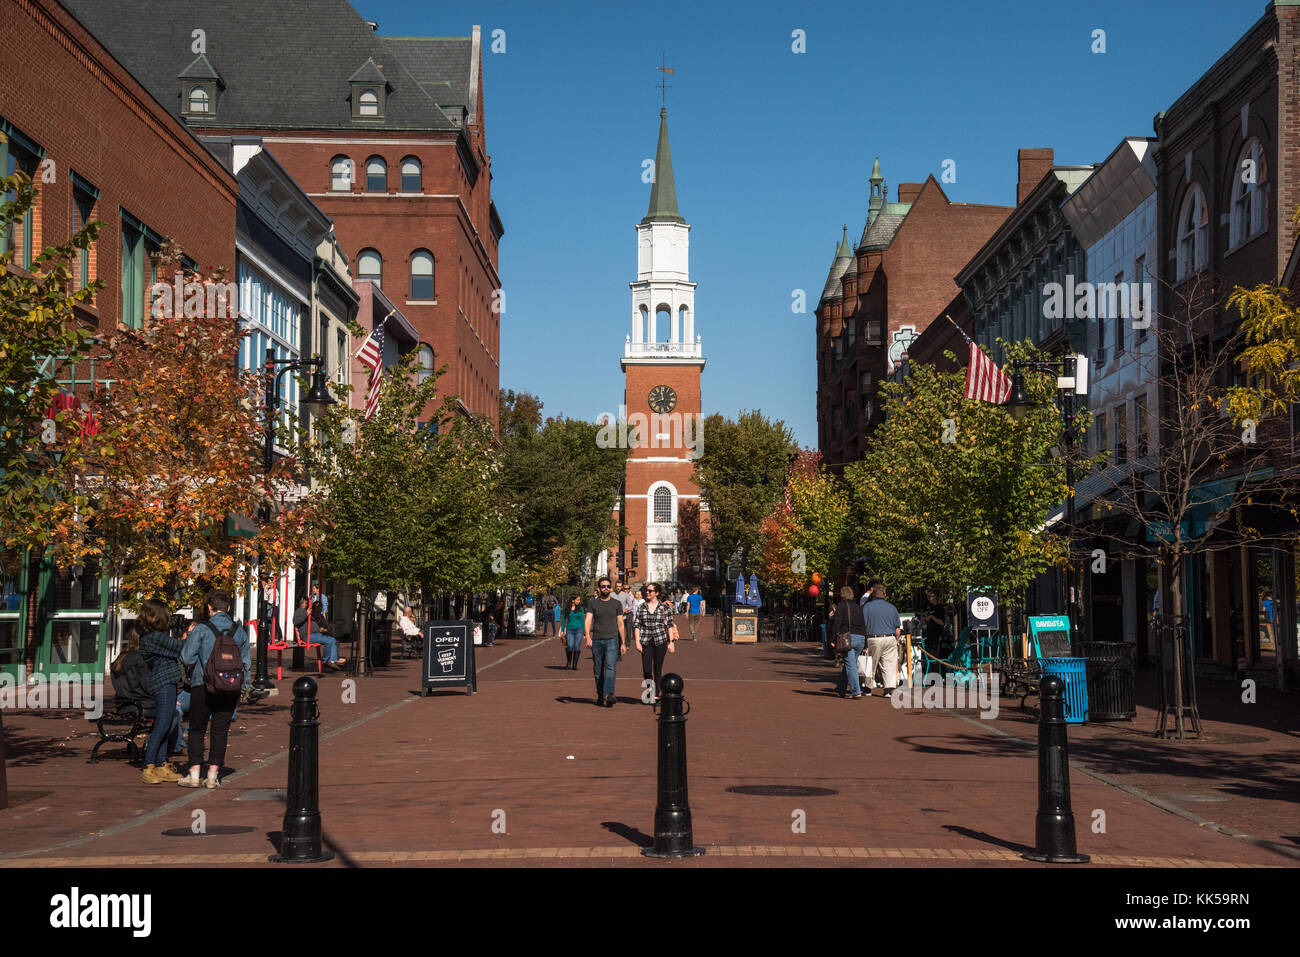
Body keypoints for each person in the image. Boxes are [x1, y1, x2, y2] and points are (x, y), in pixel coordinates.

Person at [178, 589, 250, 788]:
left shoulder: (201, 629)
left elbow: (186, 657)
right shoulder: (239, 631)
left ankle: (193, 773)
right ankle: (212, 775)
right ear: (228, 608)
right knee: (220, 730)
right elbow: (245, 663)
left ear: (209, 607)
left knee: (197, 728)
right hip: (230, 686)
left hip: (203, 684)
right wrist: (244, 688)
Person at [136, 598, 185, 784]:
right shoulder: (154, 637)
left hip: (167, 681)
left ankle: (161, 763)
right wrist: (188, 636)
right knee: (162, 725)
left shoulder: (151, 636)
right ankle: (149, 765)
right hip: (163, 682)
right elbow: (178, 648)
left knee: (168, 722)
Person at [585, 576, 626, 707]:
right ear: (599, 588)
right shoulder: (593, 603)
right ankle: (600, 694)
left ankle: (609, 695)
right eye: (603, 586)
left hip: (612, 639)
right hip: (597, 640)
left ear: (611, 588)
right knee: (598, 670)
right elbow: (588, 620)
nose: (606, 588)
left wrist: (623, 642)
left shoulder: (616, 604)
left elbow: (620, 624)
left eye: (608, 586)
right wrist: (588, 636)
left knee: (610, 667)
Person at [634, 581, 677, 703]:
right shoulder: (641, 607)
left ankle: (656, 694)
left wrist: (671, 642)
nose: (647, 592)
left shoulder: (664, 607)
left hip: (660, 641)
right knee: (647, 669)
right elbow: (637, 625)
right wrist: (637, 642)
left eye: (650, 591)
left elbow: (669, 625)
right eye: (646, 591)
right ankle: (650, 691)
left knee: (657, 668)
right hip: (646, 641)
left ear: (656, 593)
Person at [862, 583, 903, 696]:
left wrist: (864, 643)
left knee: (871, 664)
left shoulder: (867, 607)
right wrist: (896, 640)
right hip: (890, 637)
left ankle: (868, 688)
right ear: (885, 594)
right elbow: (897, 629)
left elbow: (863, 626)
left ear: (873, 594)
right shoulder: (892, 607)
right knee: (889, 664)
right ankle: (888, 689)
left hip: (873, 638)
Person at [831, 585, 868, 698]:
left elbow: (836, 624)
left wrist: (833, 639)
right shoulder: (858, 607)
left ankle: (856, 691)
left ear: (842, 595)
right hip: (860, 638)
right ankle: (841, 688)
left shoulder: (841, 606)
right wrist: (865, 643)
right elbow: (863, 625)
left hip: (849, 638)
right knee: (849, 663)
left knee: (850, 665)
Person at [293, 597, 345, 669]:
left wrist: (323, 629)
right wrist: (306, 614)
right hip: (308, 636)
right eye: (308, 603)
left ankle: (332, 660)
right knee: (330, 640)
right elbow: (295, 621)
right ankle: (327, 660)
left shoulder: (307, 612)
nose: (309, 605)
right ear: (304, 603)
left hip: (314, 634)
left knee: (333, 639)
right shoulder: (300, 611)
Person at [923, 589, 952, 660]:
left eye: (931, 596)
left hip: (937, 636)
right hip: (930, 636)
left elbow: (941, 622)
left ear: (935, 597)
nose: (929, 598)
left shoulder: (940, 607)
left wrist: (932, 617)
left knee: (935, 656)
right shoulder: (931, 607)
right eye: (928, 596)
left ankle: (937, 669)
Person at [614, 580, 637, 660]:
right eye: (617, 586)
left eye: (620, 586)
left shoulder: (626, 595)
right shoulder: (611, 594)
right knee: (614, 636)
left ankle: (618, 655)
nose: (618, 588)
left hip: (622, 618)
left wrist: (626, 610)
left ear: (622, 587)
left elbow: (631, 606)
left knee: (620, 636)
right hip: (613, 619)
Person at [562, 594, 585, 669]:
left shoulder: (581, 608)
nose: (579, 601)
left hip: (579, 629)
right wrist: (562, 630)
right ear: (573, 600)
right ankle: (569, 662)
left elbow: (582, 620)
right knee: (570, 646)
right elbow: (563, 619)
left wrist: (584, 632)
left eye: (579, 600)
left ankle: (574, 665)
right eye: (578, 599)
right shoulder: (567, 609)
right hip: (570, 629)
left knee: (577, 646)